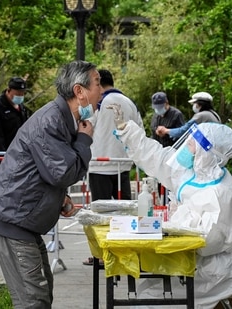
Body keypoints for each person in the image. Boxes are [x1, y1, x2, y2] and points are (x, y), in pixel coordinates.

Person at [0, 60, 99, 308]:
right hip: (14, 219)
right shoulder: (51, 120)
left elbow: (47, 172)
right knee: (33, 300)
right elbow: (63, 172)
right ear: (79, 91)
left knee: (41, 295)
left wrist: (60, 198)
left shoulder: (63, 119)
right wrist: (84, 140)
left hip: (23, 219)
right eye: (97, 84)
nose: (101, 92)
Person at [108, 104, 232, 309]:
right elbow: (157, 157)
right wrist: (127, 129)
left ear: (206, 152)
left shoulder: (220, 191)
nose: (186, 147)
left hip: (214, 271)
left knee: (150, 301)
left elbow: (210, 242)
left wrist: (178, 221)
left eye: (192, 144)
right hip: (190, 264)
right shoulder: (193, 173)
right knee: (145, 292)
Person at [82, 69, 143, 266]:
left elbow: (85, 128)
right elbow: (140, 130)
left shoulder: (98, 103)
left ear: (99, 83)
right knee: (124, 211)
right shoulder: (129, 103)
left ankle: (101, 255)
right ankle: (124, 251)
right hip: (122, 166)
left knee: (100, 214)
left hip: (99, 165)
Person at [0, 77, 32, 160]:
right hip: (6, 155)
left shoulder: (21, 107)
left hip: (22, 154)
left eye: (22, 93)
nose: (20, 96)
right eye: (18, 94)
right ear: (8, 90)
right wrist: (2, 158)